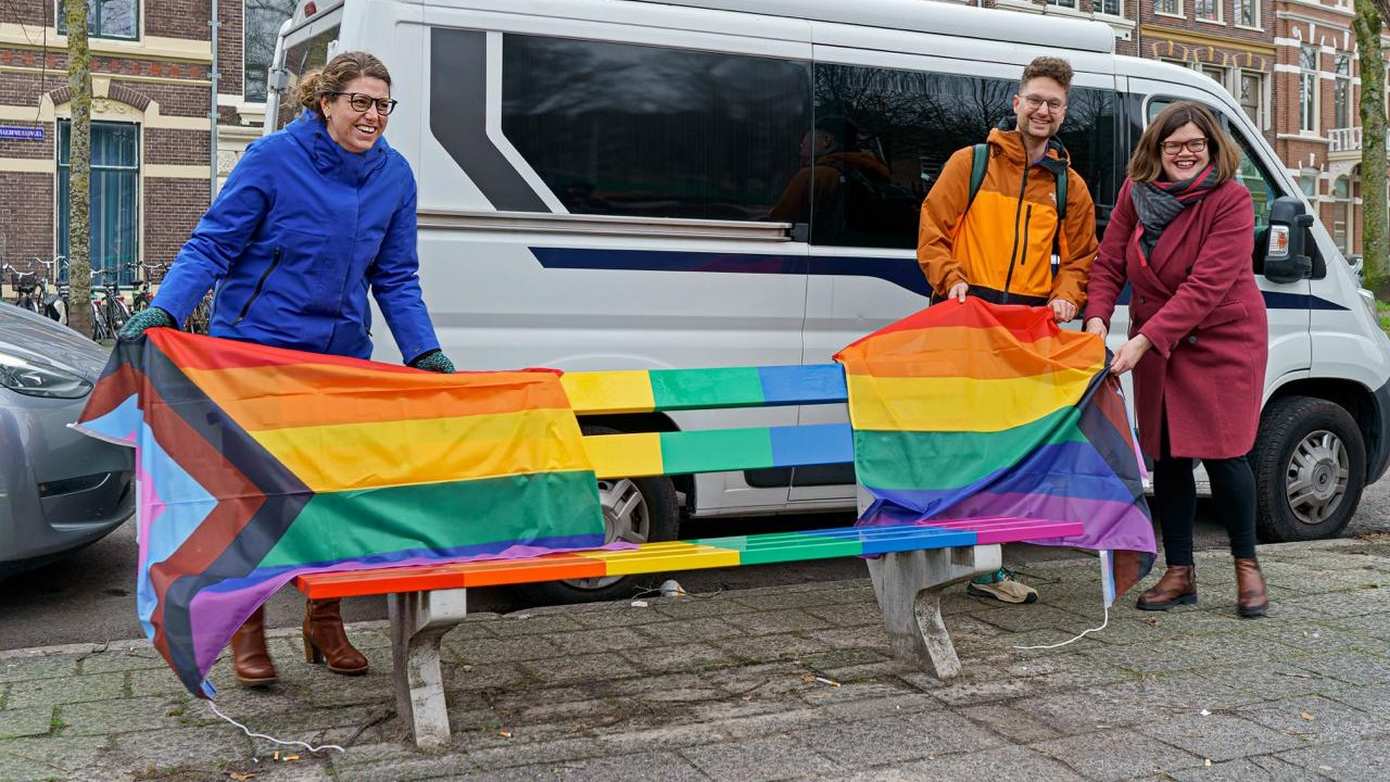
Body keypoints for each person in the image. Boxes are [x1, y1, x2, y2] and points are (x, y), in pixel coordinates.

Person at [119, 51, 457, 684]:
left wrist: (422, 351)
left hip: (337, 361)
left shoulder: (394, 176)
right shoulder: (273, 158)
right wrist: (166, 310)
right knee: (253, 496)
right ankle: (247, 629)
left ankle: (323, 621)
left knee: (328, 494)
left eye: (384, 104)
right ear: (324, 102)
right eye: (360, 101)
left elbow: (396, 276)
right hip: (256, 353)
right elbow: (212, 243)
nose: (374, 115)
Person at [916, 56, 1100, 604]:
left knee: (1005, 449)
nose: (1043, 109)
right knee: (954, 440)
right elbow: (932, 231)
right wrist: (949, 280)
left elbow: (1082, 257)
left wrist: (1067, 296)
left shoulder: (1069, 186)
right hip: (966, 321)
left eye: (1054, 103)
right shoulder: (969, 164)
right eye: (1035, 99)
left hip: (1024, 330)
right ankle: (932, 551)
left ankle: (987, 567)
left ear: (1064, 113)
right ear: (1016, 102)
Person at [1081, 101, 1269, 618]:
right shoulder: (1134, 194)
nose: (1184, 153)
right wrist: (1096, 317)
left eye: (1195, 145)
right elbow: (1108, 261)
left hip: (1220, 338)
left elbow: (1206, 285)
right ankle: (1180, 572)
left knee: (1227, 455)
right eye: (1173, 145)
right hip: (1159, 338)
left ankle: (1247, 567)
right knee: (1168, 456)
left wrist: (1142, 341)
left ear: (1211, 150)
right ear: (1156, 150)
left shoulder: (1231, 199)